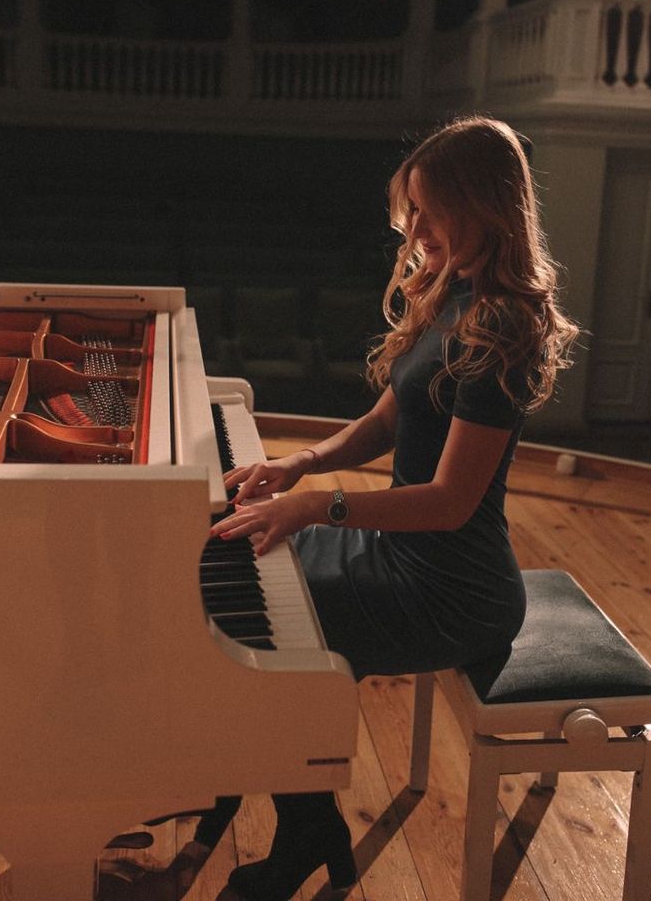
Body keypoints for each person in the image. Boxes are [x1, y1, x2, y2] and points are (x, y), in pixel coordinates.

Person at [190, 115, 579, 901]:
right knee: (229, 569)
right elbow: (387, 421)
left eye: (432, 211)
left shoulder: (504, 327)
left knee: (262, 624)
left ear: (484, 206)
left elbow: (445, 504)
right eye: (414, 211)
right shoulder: (453, 292)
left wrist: (308, 509)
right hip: (405, 558)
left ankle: (305, 830)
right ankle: (252, 775)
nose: (415, 229)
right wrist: (301, 461)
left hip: (452, 589)